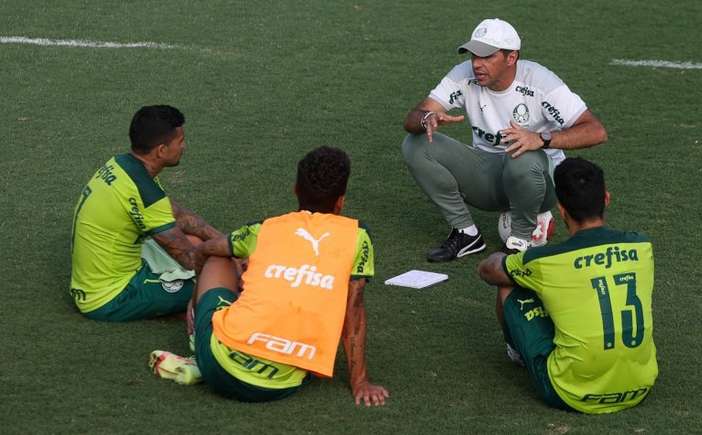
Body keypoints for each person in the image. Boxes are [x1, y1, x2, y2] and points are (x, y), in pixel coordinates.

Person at [169, 146, 389, 405]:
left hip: (219, 366)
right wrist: (360, 382)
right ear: (341, 200)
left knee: (221, 257)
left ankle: (198, 331)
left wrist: (195, 300)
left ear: (295, 190)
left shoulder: (264, 229)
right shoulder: (358, 237)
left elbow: (205, 250)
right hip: (280, 383)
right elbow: (354, 311)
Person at [401, 18, 607, 262]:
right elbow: (413, 117)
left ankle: (519, 241)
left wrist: (541, 138)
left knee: (523, 153)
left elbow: (596, 131)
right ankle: (466, 233)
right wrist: (427, 118)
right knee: (416, 144)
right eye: (473, 55)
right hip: (489, 174)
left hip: (542, 180)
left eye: (487, 57)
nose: (477, 64)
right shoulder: (463, 75)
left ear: (511, 58)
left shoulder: (539, 81)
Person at [477, 157, 657, 414]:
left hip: (568, 391)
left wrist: (510, 255)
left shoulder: (547, 260)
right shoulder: (642, 245)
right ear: (606, 199)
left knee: (510, 285)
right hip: (640, 384)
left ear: (561, 210)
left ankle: (518, 354)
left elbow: (488, 271)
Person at [70, 105, 221, 322]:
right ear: (161, 150)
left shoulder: (122, 165)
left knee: (196, 239)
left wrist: (227, 242)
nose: (184, 146)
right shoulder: (144, 192)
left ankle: (177, 305)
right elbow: (190, 259)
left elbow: (179, 215)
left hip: (100, 275)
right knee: (218, 283)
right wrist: (236, 264)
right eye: (180, 142)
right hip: (110, 297)